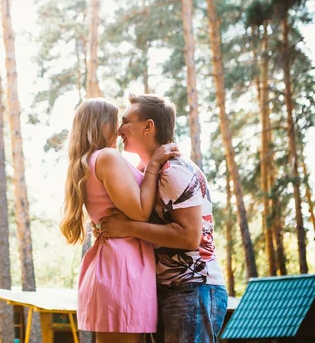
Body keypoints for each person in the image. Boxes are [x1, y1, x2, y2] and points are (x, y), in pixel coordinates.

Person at [97, 93, 228, 343]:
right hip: (170, 290)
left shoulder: (173, 170)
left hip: (194, 287)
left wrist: (128, 227)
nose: (119, 128)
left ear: (148, 126)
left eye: (125, 121)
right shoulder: (151, 172)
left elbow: (190, 237)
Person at [60, 98, 179, 343]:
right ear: (100, 125)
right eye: (116, 122)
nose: (119, 129)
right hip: (123, 265)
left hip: (119, 261)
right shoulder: (106, 158)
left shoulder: (94, 161)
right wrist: (155, 162)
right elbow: (139, 212)